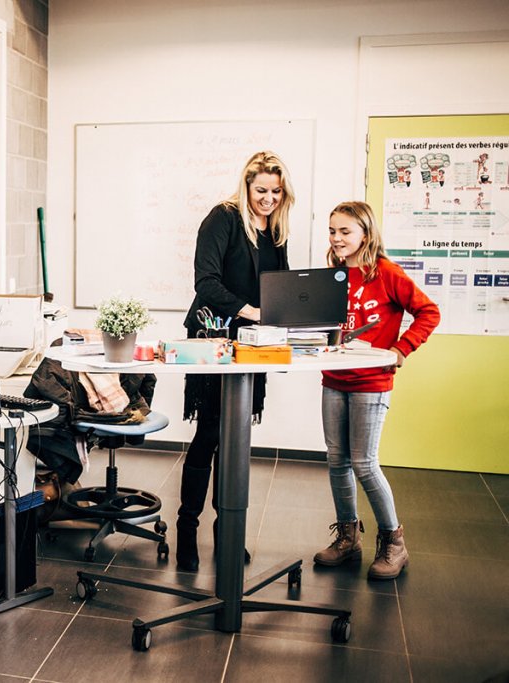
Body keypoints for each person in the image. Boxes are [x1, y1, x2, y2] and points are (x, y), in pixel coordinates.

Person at [176, 150, 295, 572]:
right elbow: (205, 282)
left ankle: (226, 533)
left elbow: (279, 286)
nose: (268, 199)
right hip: (213, 334)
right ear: (246, 186)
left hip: (253, 340)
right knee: (210, 433)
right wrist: (252, 311)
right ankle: (186, 530)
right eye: (261, 190)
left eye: (276, 192)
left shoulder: (276, 230)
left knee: (235, 439)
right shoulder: (223, 218)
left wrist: (288, 314)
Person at [313, 201, 440, 580]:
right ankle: (348, 537)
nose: (337, 238)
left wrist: (399, 350)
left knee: (364, 463)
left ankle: (394, 543)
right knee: (337, 460)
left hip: (372, 382)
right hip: (334, 379)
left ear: (365, 234)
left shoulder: (386, 273)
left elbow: (429, 312)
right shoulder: (332, 275)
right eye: (333, 231)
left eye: (345, 231)